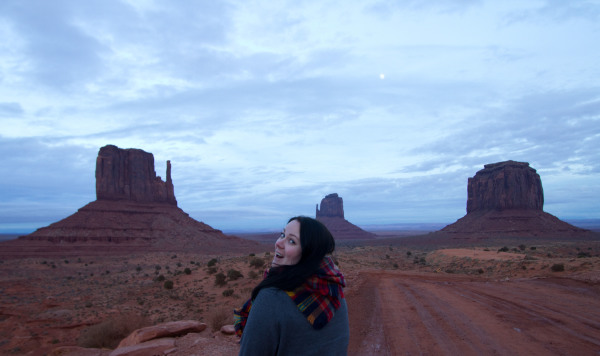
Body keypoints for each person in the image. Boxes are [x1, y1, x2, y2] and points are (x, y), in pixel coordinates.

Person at [234, 216, 349, 356]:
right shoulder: (333, 290)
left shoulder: (271, 298)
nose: (278, 243)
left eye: (291, 241)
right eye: (282, 235)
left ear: (308, 253)